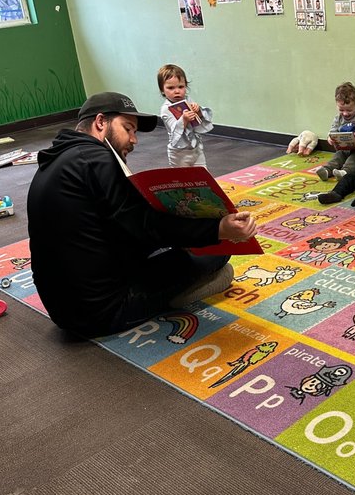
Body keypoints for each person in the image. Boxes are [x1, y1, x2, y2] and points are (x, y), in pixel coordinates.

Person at [27, 91, 256, 337]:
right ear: (101, 122)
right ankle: (178, 298)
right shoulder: (98, 160)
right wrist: (217, 229)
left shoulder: (57, 161)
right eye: (128, 129)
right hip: (102, 312)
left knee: (175, 245)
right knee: (218, 257)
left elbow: (116, 227)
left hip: (63, 308)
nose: (134, 140)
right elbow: (146, 227)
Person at [315, 81, 355, 182]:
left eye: (349, 110)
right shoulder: (338, 118)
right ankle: (326, 171)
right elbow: (332, 132)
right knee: (337, 157)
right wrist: (330, 139)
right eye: (341, 110)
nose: (345, 113)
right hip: (344, 149)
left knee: (353, 160)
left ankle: (344, 173)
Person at [158, 63, 214, 167]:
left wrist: (198, 112)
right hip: (179, 152)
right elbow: (174, 128)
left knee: (202, 176)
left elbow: (198, 122)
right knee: (182, 178)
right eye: (170, 88)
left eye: (181, 87)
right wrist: (184, 119)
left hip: (195, 148)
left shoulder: (187, 100)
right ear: (162, 90)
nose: (177, 91)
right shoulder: (166, 109)